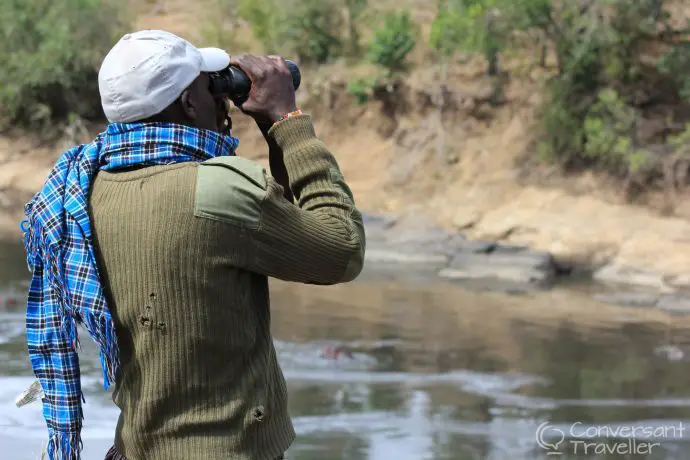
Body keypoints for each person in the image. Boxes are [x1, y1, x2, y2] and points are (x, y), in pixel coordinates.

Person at [21, 29, 366, 460]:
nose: (222, 101)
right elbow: (341, 249)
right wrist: (287, 122)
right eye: (212, 88)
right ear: (188, 104)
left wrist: (270, 131)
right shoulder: (219, 190)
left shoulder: (80, 194)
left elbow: (276, 221)